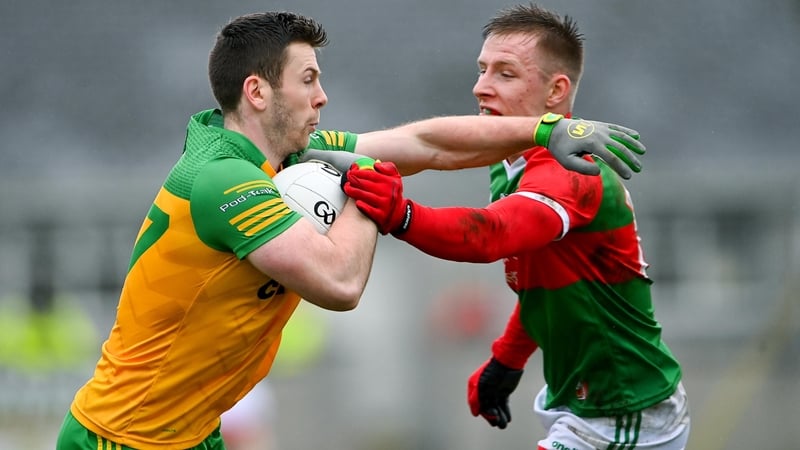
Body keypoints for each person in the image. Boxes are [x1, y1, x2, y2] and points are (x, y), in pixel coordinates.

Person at [55, 10, 647, 450]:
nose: (323, 97)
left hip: (189, 432)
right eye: (308, 79)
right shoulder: (224, 181)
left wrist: (545, 131)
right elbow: (339, 284)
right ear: (258, 92)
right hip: (122, 436)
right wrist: (365, 191)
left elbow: (428, 143)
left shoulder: (291, 155)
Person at [343, 4, 690, 450]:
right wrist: (507, 359)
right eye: (482, 70)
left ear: (556, 90)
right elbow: (545, 283)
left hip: (624, 411)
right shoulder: (511, 163)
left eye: (505, 74)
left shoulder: (573, 172)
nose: (480, 87)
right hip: (586, 406)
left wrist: (402, 215)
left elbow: (490, 234)